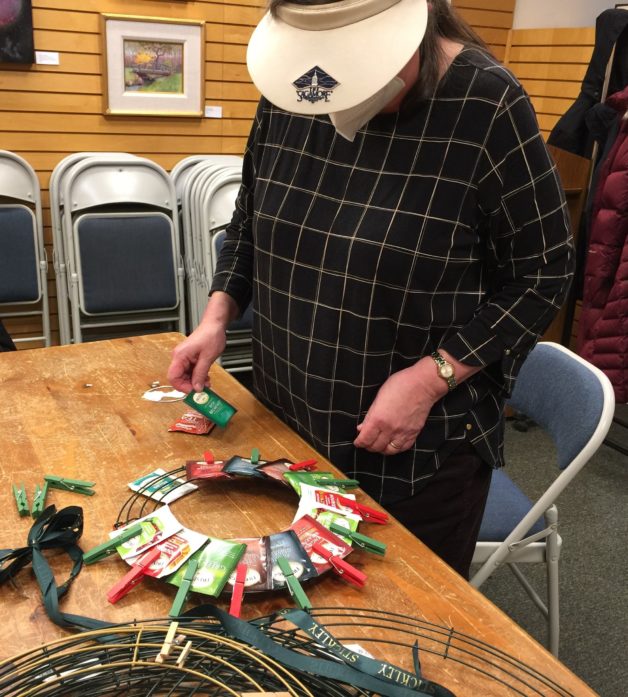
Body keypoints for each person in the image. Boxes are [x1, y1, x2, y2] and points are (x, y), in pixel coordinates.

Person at [168, 0, 574, 578]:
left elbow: (544, 273)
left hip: (413, 448)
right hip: (287, 413)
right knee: (285, 618)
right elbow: (251, 221)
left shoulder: (486, 103)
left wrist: (432, 377)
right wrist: (217, 314)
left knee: (396, 634)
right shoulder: (296, 87)